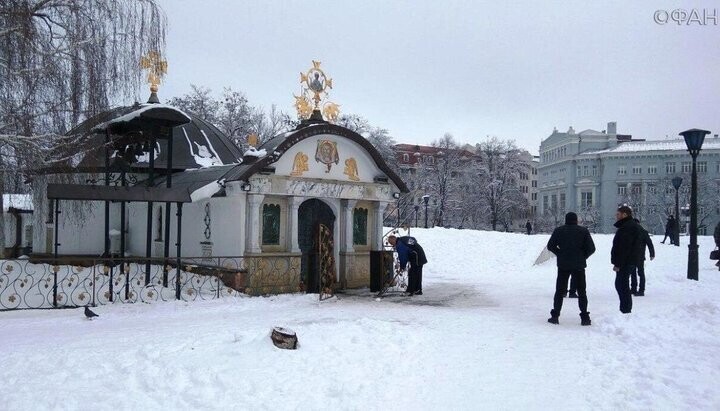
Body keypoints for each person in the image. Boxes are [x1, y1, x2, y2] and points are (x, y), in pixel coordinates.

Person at [546, 212, 596, 326]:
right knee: (582, 291)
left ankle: (555, 316)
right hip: (579, 265)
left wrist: (560, 253)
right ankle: (585, 318)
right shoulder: (583, 231)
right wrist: (583, 256)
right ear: (576, 220)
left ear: (566, 220)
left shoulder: (559, 230)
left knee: (559, 291)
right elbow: (592, 248)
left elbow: (550, 246)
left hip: (563, 264)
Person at [611, 205, 643, 314]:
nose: (616, 216)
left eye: (618, 214)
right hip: (629, 260)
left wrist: (618, 264)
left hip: (626, 262)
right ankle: (625, 309)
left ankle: (626, 310)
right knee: (621, 284)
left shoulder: (627, 227)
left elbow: (624, 247)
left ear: (624, 215)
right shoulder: (628, 226)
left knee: (621, 285)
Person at [631, 219, 655, 296]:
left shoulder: (631, 232)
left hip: (633, 256)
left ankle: (635, 289)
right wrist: (652, 254)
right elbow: (649, 243)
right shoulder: (643, 232)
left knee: (633, 272)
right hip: (640, 256)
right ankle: (640, 290)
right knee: (640, 273)